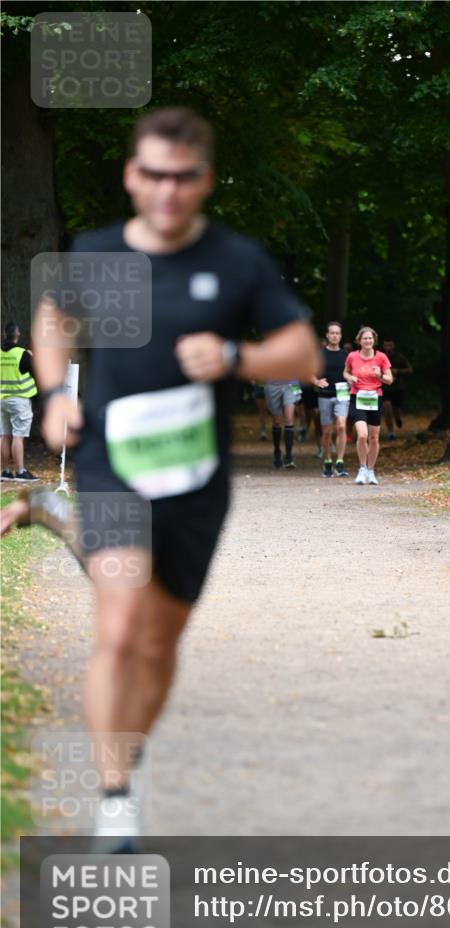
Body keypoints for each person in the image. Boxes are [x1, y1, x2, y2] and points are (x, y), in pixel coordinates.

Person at [2, 107, 318, 849]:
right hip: (112, 465)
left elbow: (302, 351)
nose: (167, 192)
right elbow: (51, 320)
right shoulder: (100, 253)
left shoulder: (235, 261)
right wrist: (54, 399)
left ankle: (128, 751)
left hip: (195, 478)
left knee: (157, 644)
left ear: (203, 180)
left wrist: (238, 358)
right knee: (116, 630)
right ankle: (115, 797)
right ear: (131, 176)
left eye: (182, 177)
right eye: (152, 175)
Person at [344, 326, 393, 485]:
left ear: (374, 340)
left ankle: (371, 471)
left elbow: (389, 380)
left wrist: (379, 375)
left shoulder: (381, 357)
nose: (368, 341)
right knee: (362, 435)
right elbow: (345, 372)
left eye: (370, 338)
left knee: (373, 437)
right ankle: (362, 468)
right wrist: (350, 378)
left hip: (374, 398)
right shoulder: (352, 356)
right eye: (365, 338)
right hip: (357, 397)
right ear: (359, 340)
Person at [0, 322, 40, 481]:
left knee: (4, 435)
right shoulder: (23, 354)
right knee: (18, 436)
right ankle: (21, 472)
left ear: (4, 334)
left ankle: (5, 472)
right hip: (19, 400)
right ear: (18, 335)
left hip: (1, 400)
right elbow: (38, 372)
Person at [312, 321, 350, 477]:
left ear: (340, 336)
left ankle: (340, 462)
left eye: (337, 333)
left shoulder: (347, 355)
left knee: (341, 425)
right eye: (332, 333)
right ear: (327, 335)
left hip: (342, 395)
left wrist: (351, 379)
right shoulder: (319, 355)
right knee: (326, 431)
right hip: (325, 396)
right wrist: (317, 381)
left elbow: (352, 372)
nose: (335, 335)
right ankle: (327, 460)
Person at [265, 377, 302, 468]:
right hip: (273, 384)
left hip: (291, 383)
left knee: (289, 419)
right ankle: (277, 451)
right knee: (276, 421)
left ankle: (288, 456)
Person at [381, 338, 412, 440]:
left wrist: (397, 371)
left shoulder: (400, 358)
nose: (388, 348)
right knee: (386, 406)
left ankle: (398, 417)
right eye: (386, 345)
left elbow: (410, 370)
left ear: (393, 346)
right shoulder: (380, 357)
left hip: (398, 388)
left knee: (396, 409)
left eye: (390, 345)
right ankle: (391, 432)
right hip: (385, 388)